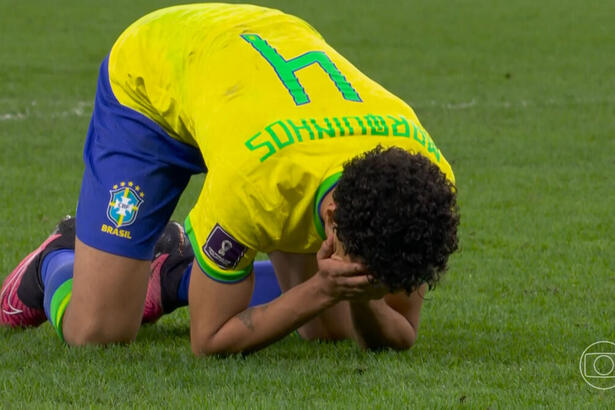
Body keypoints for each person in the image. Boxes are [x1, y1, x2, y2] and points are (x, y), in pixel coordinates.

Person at [0, 3, 459, 355]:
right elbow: (210, 340)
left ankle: (178, 270)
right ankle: (54, 261)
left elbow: (400, 332)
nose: (377, 282)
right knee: (98, 332)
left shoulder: (421, 188)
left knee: (329, 330)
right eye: (365, 270)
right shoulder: (256, 187)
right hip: (157, 75)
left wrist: (355, 294)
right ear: (333, 215)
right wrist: (322, 287)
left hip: (252, 81)